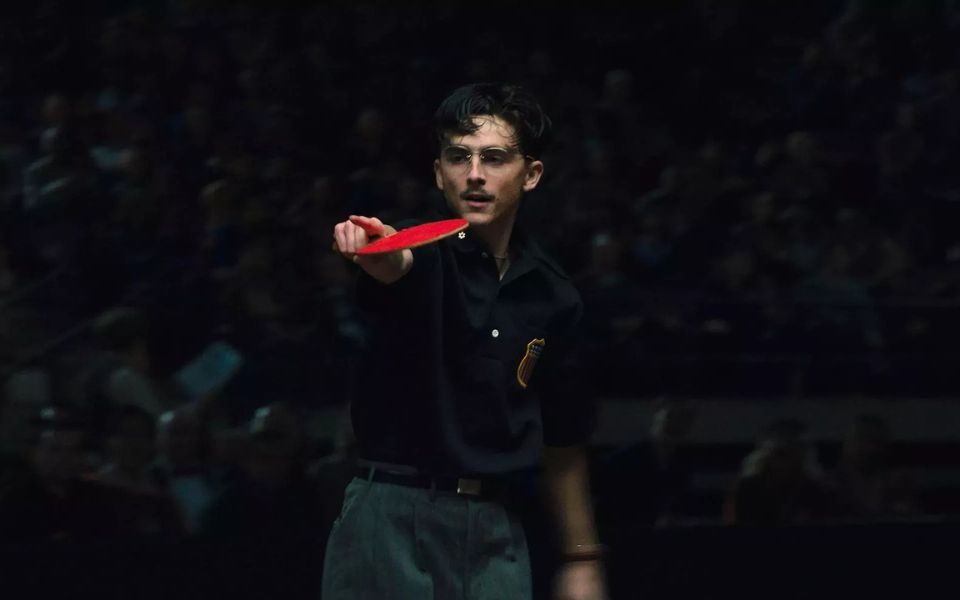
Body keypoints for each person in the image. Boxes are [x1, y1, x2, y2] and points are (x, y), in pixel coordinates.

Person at [325, 83, 607, 600]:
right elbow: (393, 265)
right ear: (439, 173)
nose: (475, 174)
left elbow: (563, 442)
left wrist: (581, 558)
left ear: (531, 175)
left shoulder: (556, 297)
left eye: (494, 158)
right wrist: (374, 250)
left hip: (495, 528)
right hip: (390, 515)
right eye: (459, 157)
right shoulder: (419, 254)